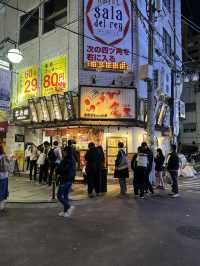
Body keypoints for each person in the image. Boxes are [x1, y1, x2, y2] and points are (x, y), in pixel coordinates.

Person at [56, 146, 76, 217]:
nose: (63, 152)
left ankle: (69, 207)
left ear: (66, 152)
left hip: (65, 179)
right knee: (65, 196)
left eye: (64, 151)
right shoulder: (72, 159)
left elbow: (64, 170)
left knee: (59, 195)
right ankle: (66, 211)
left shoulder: (67, 160)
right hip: (69, 179)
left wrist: (58, 166)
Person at [0, 145, 10, 211]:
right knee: (3, 190)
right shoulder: (4, 156)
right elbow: (8, 165)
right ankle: (1, 205)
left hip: (1, 176)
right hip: (4, 176)